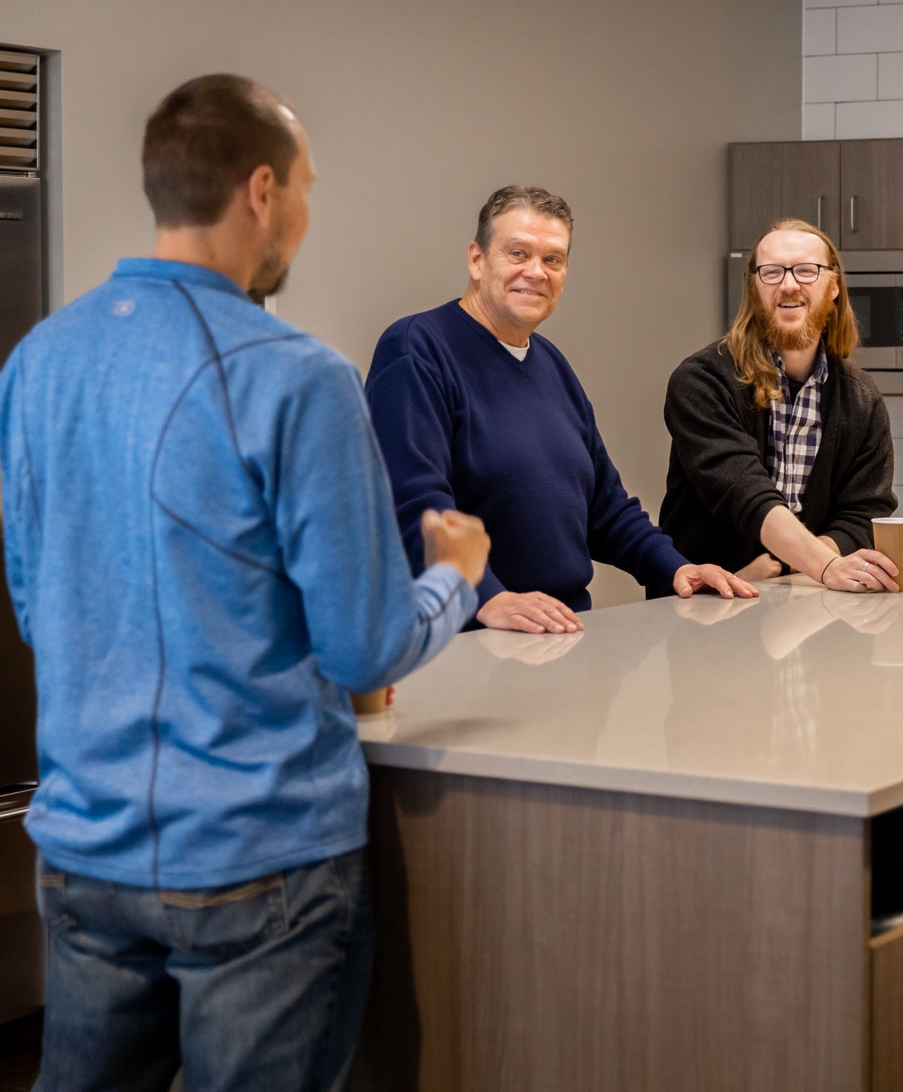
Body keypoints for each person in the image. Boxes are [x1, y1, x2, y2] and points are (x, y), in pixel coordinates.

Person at [0, 74, 491, 1091]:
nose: (305, 217)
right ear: (260, 191)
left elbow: (40, 602)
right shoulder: (296, 374)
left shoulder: (39, 359)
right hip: (257, 856)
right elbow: (363, 645)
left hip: (85, 846)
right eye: (307, 190)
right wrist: (451, 578)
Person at [365, 186, 757, 633]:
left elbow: (605, 507)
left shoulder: (551, 364)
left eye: (553, 259)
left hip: (558, 632)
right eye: (518, 253)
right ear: (477, 260)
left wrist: (675, 569)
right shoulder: (417, 349)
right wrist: (487, 599)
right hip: (465, 638)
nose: (536, 271)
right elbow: (413, 504)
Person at [658, 218, 899, 595]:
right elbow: (745, 494)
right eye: (771, 273)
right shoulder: (702, 381)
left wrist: (785, 568)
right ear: (755, 289)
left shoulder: (861, 399)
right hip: (703, 610)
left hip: (805, 608)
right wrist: (824, 567)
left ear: (833, 286)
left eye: (806, 271)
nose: (788, 285)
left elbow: (864, 514)